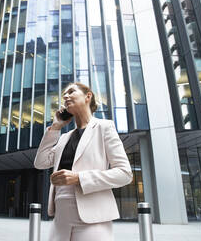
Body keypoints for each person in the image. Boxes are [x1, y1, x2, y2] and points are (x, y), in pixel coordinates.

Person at [34, 82, 133, 241]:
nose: (65, 96)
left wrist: (79, 178)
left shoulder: (104, 127)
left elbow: (124, 174)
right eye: (64, 94)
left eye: (71, 91)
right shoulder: (64, 137)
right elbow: (40, 162)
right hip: (60, 218)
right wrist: (55, 127)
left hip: (92, 218)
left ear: (88, 96)